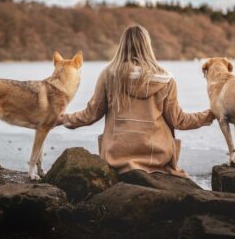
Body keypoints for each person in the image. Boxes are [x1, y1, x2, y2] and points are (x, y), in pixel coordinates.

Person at [62, 25, 214, 178]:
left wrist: (62, 118)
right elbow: (178, 120)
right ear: (147, 46)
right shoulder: (166, 80)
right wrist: (211, 114)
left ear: (122, 46)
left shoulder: (109, 75)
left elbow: (90, 115)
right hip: (157, 157)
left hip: (116, 156)